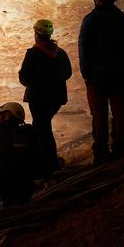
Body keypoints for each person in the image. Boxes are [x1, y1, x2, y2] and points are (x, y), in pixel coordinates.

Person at [78, 0, 124, 164]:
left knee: (99, 115)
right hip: (121, 75)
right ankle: (121, 148)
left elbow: (84, 48)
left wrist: (87, 75)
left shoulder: (91, 20)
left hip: (98, 76)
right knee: (120, 112)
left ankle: (101, 153)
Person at [18, 19, 72, 170]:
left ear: (36, 35)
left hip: (39, 99)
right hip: (57, 98)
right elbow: (67, 73)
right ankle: (46, 161)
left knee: (42, 129)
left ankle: (48, 163)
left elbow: (24, 78)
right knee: (43, 127)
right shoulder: (60, 53)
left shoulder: (33, 53)